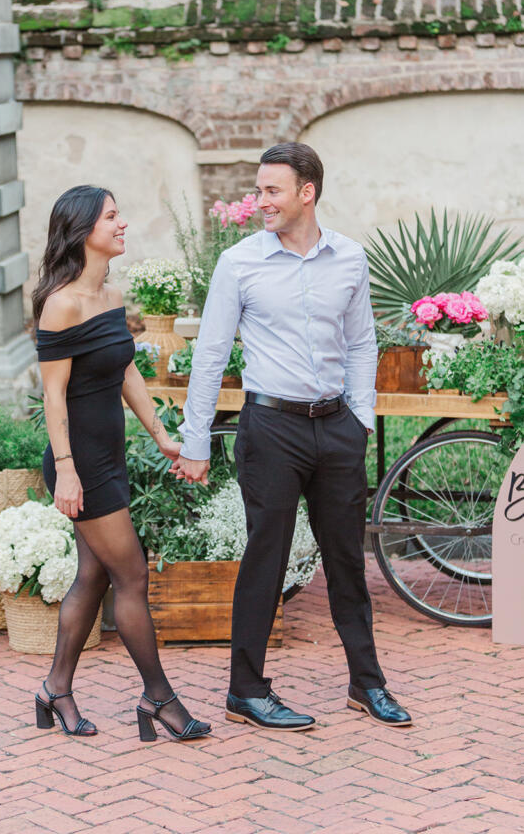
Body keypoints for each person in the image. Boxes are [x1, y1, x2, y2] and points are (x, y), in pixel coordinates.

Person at [172, 143, 412, 730]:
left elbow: (361, 345)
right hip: (271, 427)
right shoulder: (240, 263)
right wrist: (195, 440)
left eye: (272, 191)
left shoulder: (351, 259)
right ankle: (247, 692)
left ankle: (367, 684)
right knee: (266, 558)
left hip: (335, 428)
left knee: (347, 563)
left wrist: (358, 420)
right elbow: (209, 355)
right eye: (259, 191)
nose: (261, 203)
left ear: (308, 192)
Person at [33, 184, 211, 743]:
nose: (123, 224)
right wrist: (65, 469)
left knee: (94, 573)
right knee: (131, 574)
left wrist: (161, 434)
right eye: (112, 217)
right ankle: (159, 698)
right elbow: (53, 395)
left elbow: (126, 371)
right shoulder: (60, 302)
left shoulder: (109, 297)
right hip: (79, 462)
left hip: (108, 457)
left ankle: (54, 690)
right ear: (84, 228)